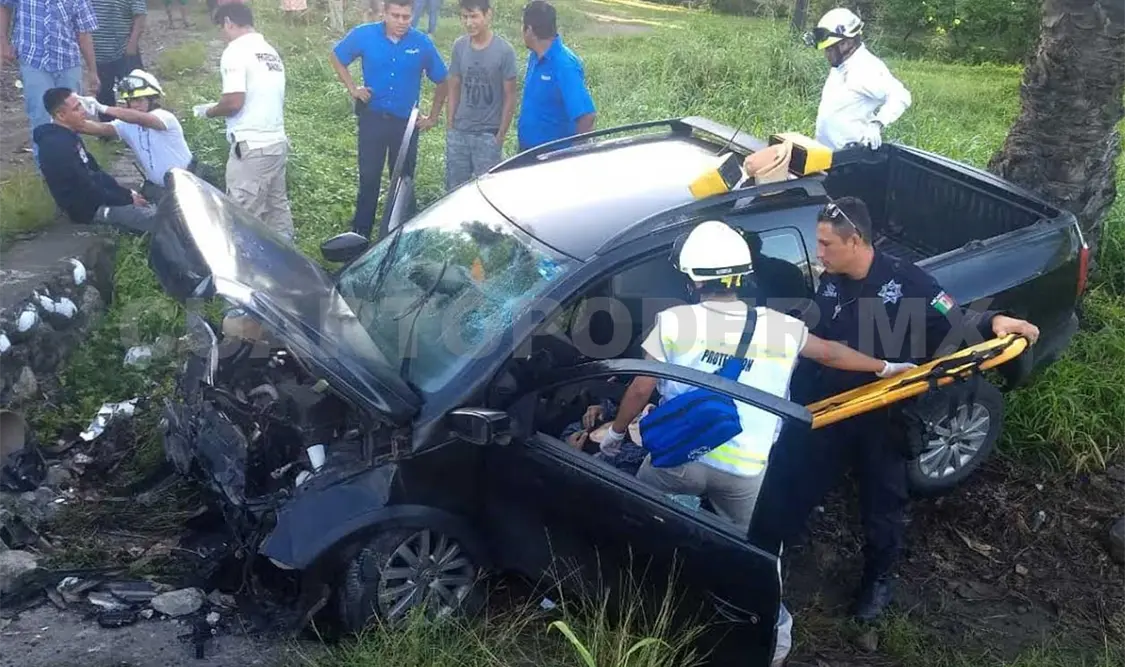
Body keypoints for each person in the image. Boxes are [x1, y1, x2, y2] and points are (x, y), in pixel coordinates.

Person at [750, 196, 1041, 624]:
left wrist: (998, 321)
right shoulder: (829, 279)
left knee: (882, 504)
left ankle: (878, 578)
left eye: (827, 244)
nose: (819, 253)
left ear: (856, 241)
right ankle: (766, 554)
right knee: (790, 481)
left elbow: (958, 321)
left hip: (882, 416)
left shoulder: (909, 283)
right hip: (828, 408)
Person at [597, 219, 915, 533]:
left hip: (679, 455)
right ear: (742, 276)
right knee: (736, 539)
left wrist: (614, 435)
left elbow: (641, 389)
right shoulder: (782, 328)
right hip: (745, 467)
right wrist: (885, 367)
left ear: (693, 279)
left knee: (639, 512)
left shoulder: (672, 322)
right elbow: (831, 353)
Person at [330, 0, 448, 239]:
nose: (402, 22)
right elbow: (337, 57)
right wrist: (353, 88)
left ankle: (401, 235)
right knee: (369, 177)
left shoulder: (421, 43)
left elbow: (443, 79)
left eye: (406, 17)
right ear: (384, 13)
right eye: (396, 16)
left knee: (403, 181)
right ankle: (360, 235)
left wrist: (433, 117)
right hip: (372, 118)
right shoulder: (364, 35)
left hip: (405, 124)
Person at [194, 3, 294, 241]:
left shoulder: (236, 51)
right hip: (275, 143)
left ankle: (247, 272)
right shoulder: (268, 51)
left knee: (243, 218)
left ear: (228, 22)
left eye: (221, 27)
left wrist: (209, 111)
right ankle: (286, 265)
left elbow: (234, 101)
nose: (222, 34)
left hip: (252, 149)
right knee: (276, 209)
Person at [34, 87, 156, 235]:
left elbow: (95, 172)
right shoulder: (57, 147)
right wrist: (125, 199)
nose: (84, 111)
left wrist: (127, 193)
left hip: (98, 199)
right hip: (88, 209)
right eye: (77, 108)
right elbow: (85, 187)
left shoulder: (69, 137)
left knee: (157, 210)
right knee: (158, 221)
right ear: (61, 115)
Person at [73, 69, 201, 202]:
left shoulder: (165, 117)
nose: (134, 104)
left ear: (151, 99)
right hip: (159, 189)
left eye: (139, 100)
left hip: (189, 184)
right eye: (130, 100)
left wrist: (103, 108)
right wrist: (71, 117)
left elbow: (142, 119)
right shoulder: (126, 124)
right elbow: (98, 128)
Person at [0, 0, 100, 165]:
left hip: (67, 60)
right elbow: (4, 6)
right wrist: (3, 42)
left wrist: (92, 71)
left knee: (73, 117)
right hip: (33, 60)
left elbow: (84, 34)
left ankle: (75, 166)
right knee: (40, 118)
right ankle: (47, 172)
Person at [805, 7, 912, 151]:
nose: (826, 55)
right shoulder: (841, 65)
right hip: (825, 152)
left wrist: (877, 124)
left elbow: (901, 95)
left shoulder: (867, 67)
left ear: (846, 43)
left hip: (849, 158)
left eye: (829, 49)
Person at [444, 0, 517, 191]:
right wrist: (450, 125)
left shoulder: (504, 51)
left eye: (474, 16)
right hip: (459, 131)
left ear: (488, 15)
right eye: (464, 17)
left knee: (486, 192)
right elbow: (454, 86)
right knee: (454, 191)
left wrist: (500, 134)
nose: (469, 22)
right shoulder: (459, 46)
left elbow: (510, 96)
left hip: (487, 134)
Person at [516, 0, 595, 152]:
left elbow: (587, 116)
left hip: (551, 156)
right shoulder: (535, 56)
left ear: (529, 30)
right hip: (527, 151)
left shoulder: (564, 65)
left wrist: (574, 153)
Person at [91, 0, 146, 118]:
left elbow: (140, 15)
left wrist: (132, 43)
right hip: (99, 51)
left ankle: (142, 125)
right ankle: (109, 131)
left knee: (135, 90)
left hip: (124, 49)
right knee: (104, 93)